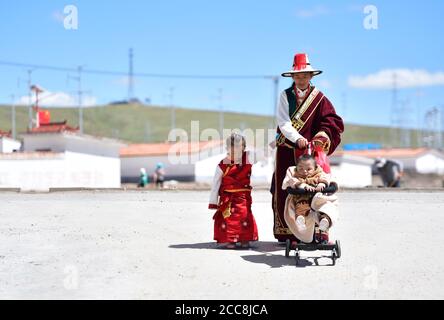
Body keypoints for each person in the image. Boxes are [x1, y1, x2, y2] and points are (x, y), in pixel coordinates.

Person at [270, 53, 344, 242]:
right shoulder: (285, 96)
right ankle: (288, 233)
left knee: (316, 187)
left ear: (311, 76)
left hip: (312, 154)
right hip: (288, 148)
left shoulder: (319, 98)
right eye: (298, 76)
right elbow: (284, 123)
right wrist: (298, 138)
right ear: (293, 77)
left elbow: (331, 120)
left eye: (305, 75)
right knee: (287, 187)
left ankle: (318, 230)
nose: (301, 79)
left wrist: (322, 136)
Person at [208, 133, 259, 249]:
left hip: (243, 198)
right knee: (229, 220)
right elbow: (216, 183)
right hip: (228, 199)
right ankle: (230, 240)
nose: (235, 149)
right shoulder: (223, 164)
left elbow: (264, 153)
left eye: (238, 146)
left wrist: (274, 142)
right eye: (232, 146)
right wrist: (213, 202)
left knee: (245, 217)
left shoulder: (248, 158)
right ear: (227, 148)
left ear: (243, 147)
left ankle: (245, 239)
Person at [282, 154, 339, 244]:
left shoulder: (318, 173)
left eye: (308, 169)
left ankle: (325, 221)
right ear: (297, 167)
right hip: (302, 197)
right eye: (301, 168)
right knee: (301, 207)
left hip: (318, 198)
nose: (304, 171)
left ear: (315, 167)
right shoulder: (295, 175)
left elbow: (326, 178)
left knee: (325, 206)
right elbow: (292, 182)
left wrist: (322, 184)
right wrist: (303, 186)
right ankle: (301, 220)